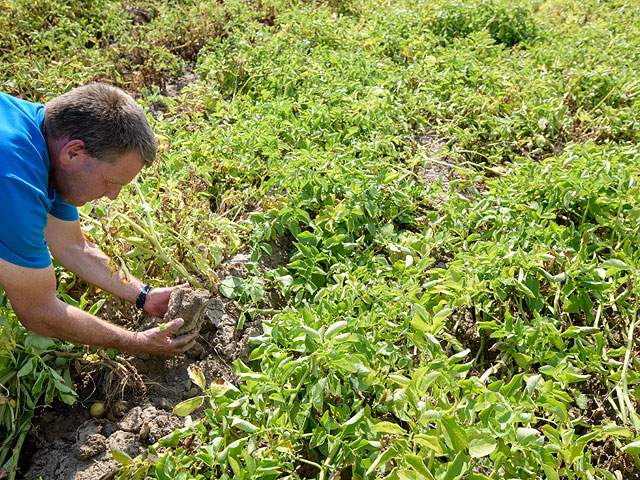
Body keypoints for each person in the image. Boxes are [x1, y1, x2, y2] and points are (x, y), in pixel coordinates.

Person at [0, 83, 197, 356]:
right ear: (74, 153)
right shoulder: (13, 179)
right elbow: (38, 312)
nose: (113, 196)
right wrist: (137, 342)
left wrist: (144, 295)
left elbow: (73, 247)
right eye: (109, 181)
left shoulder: (44, 137)